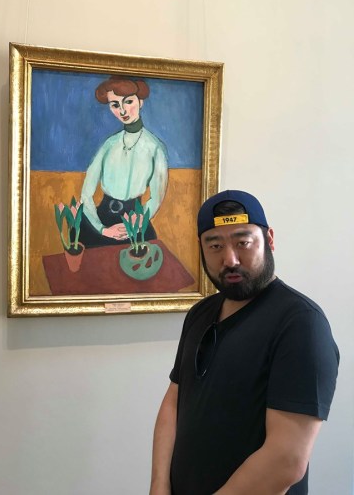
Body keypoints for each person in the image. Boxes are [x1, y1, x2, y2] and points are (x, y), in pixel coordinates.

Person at [150, 190, 339, 495]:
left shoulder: (300, 323)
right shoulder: (200, 314)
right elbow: (174, 402)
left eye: (243, 243)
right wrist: (159, 486)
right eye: (215, 246)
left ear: (269, 239)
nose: (230, 259)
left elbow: (286, 460)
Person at [79, 76, 168, 247]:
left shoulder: (155, 148)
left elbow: (156, 197)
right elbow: (86, 195)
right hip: (102, 220)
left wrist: (137, 223)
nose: (122, 111)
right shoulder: (109, 145)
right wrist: (103, 229)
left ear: (140, 102)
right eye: (115, 105)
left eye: (128, 102)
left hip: (136, 222)